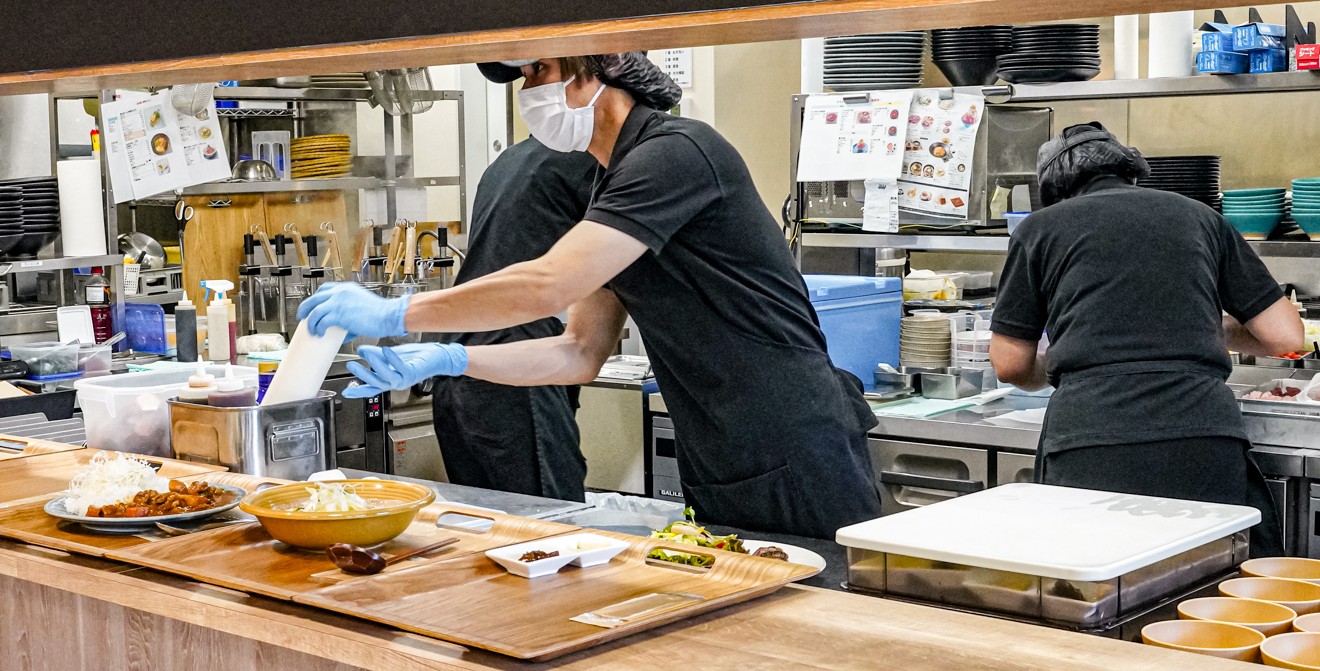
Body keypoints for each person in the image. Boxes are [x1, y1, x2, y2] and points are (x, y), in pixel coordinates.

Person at [299, 52, 883, 539]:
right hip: (719, 449)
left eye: (539, 72)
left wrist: (397, 312)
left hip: (794, 443)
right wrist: (454, 359)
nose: (529, 92)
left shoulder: (678, 152)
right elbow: (579, 351)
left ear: (597, 71)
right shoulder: (611, 181)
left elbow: (549, 283)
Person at [989, 123, 1303, 556]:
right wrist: (1203, 327)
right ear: (1132, 173)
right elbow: (1285, 336)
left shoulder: (1038, 229)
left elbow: (1009, 364)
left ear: (1055, 189)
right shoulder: (1200, 216)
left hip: (1090, 433)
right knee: (1207, 575)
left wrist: (1066, 353)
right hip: (1200, 430)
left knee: (1100, 582)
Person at [432, 134, 599, 501]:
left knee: (486, 526)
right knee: (550, 524)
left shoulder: (509, 159)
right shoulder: (590, 161)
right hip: (515, 369)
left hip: (460, 358)